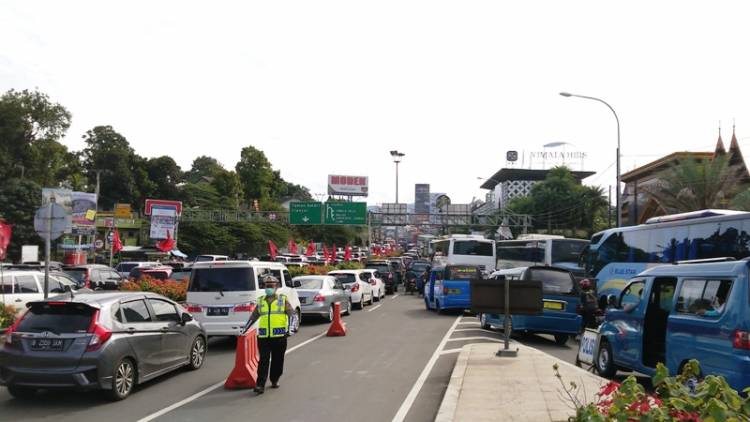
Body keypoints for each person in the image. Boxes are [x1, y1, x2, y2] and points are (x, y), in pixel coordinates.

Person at [242, 275, 295, 394]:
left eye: (271, 286)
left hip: (279, 337)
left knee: (278, 361)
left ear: (276, 287)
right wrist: (245, 329)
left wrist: (291, 329)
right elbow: (254, 316)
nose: (269, 288)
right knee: (263, 361)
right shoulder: (261, 301)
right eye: (267, 286)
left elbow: (292, 314)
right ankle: (260, 385)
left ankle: (275, 379)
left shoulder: (282, 300)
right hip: (264, 337)